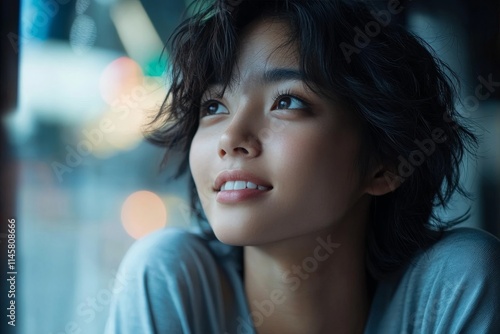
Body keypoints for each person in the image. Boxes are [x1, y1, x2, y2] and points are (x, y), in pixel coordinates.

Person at [105, 0, 500, 333]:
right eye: (214, 107)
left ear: (386, 162)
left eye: (287, 102)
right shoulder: (170, 279)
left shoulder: (456, 284)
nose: (230, 137)